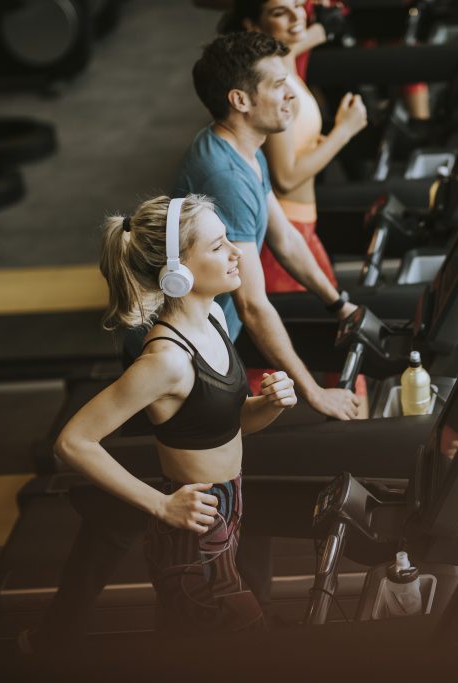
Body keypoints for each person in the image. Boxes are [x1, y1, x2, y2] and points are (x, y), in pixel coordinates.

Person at [53, 194, 297, 635]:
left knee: (205, 653)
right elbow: (74, 441)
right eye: (218, 245)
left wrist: (270, 405)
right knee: (233, 648)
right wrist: (161, 504)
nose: (235, 252)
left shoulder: (216, 320)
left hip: (227, 514)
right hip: (191, 537)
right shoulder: (166, 360)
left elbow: (228, 424)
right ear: (178, 272)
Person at [176, 30, 363, 416]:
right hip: (197, 346)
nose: (291, 94)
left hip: (219, 327)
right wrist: (316, 394)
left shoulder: (244, 149)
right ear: (240, 100)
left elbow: (286, 240)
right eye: (279, 85)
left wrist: (338, 304)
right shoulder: (224, 175)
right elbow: (252, 305)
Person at [222, 0, 368, 296]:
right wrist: (344, 131)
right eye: (279, 12)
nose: (296, 16)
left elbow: (305, 35)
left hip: (302, 225)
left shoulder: (284, 61)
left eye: (300, 5)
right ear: (252, 25)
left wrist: (322, 28)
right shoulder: (270, 84)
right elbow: (285, 177)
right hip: (286, 232)